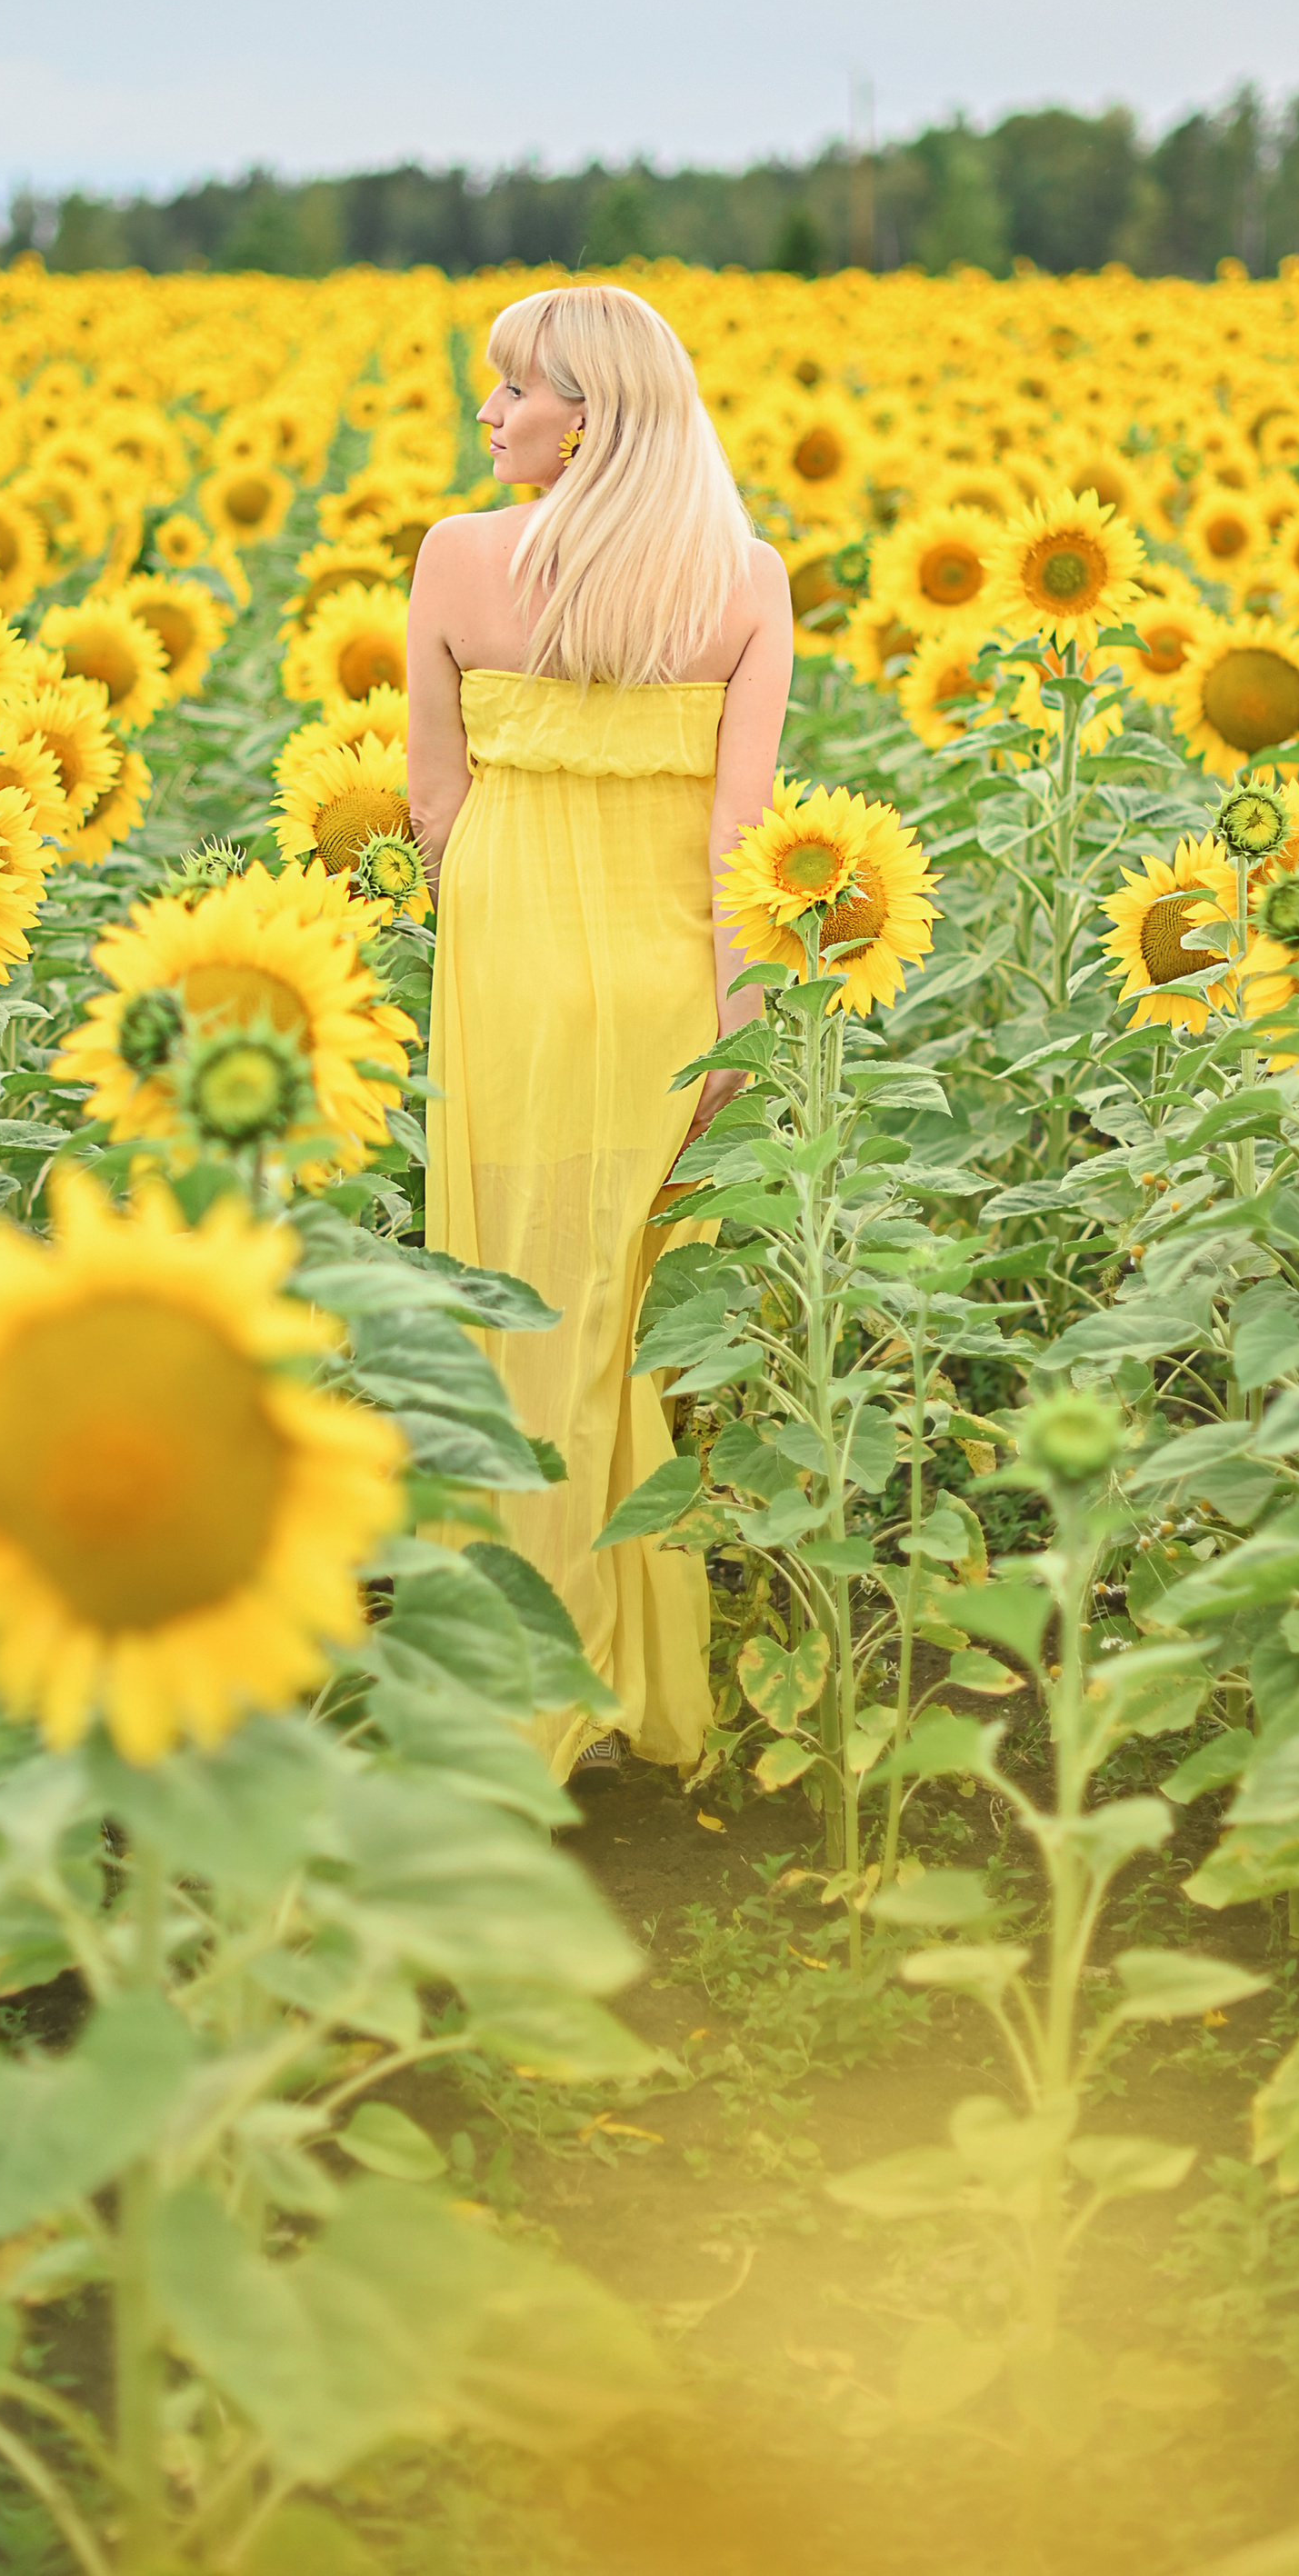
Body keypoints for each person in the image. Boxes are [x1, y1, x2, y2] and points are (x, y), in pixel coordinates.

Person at [405, 282, 793, 1782]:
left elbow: (434, 802)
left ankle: (521, 1682)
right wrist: (735, 1039)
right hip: (662, 998)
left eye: (513, 390)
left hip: (509, 973)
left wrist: (490, 928)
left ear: (594, 416)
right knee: (635, 1324)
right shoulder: (745, 580)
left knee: (517, 1304)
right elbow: (742, 840)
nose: (489, 413)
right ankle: (638, 1680)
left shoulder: (455, 559)